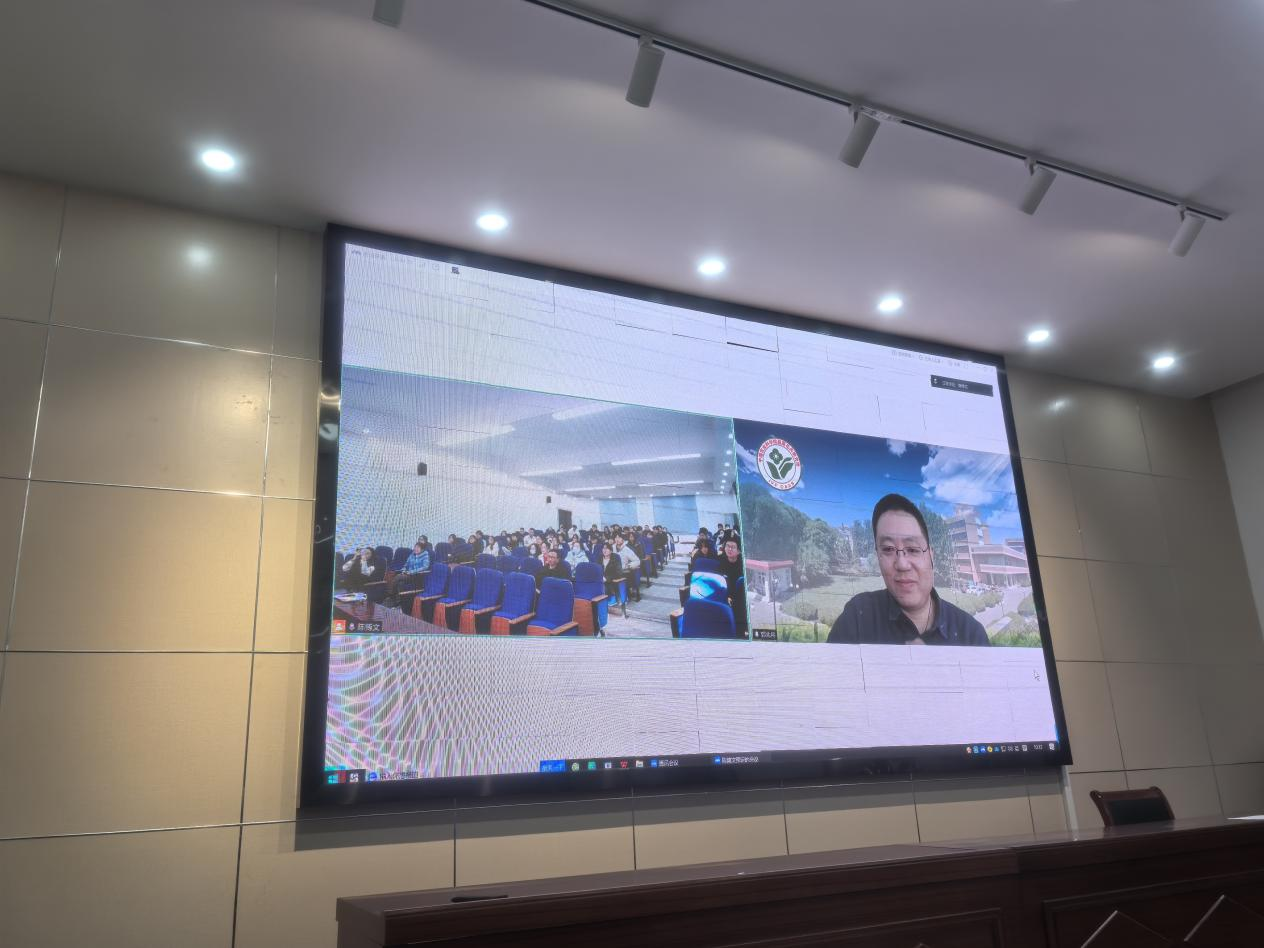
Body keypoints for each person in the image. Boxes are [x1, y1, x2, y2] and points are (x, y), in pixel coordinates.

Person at [827, 493, 989, 647]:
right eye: (888, 549)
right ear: (878, 557)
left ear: (931, 556)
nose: (902, 564)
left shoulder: (970, 634)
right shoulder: (858, 618)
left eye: (912, 549)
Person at [613, 535, 641, 601]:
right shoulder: (612, 548)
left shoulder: (626, 549)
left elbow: (637, 561)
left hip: (623, 571)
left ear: (623, 539)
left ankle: (627, 594)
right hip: (613, 571)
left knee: (627, 575)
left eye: (619, 537)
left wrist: (629, 565)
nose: (617, 539)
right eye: (616, 537)